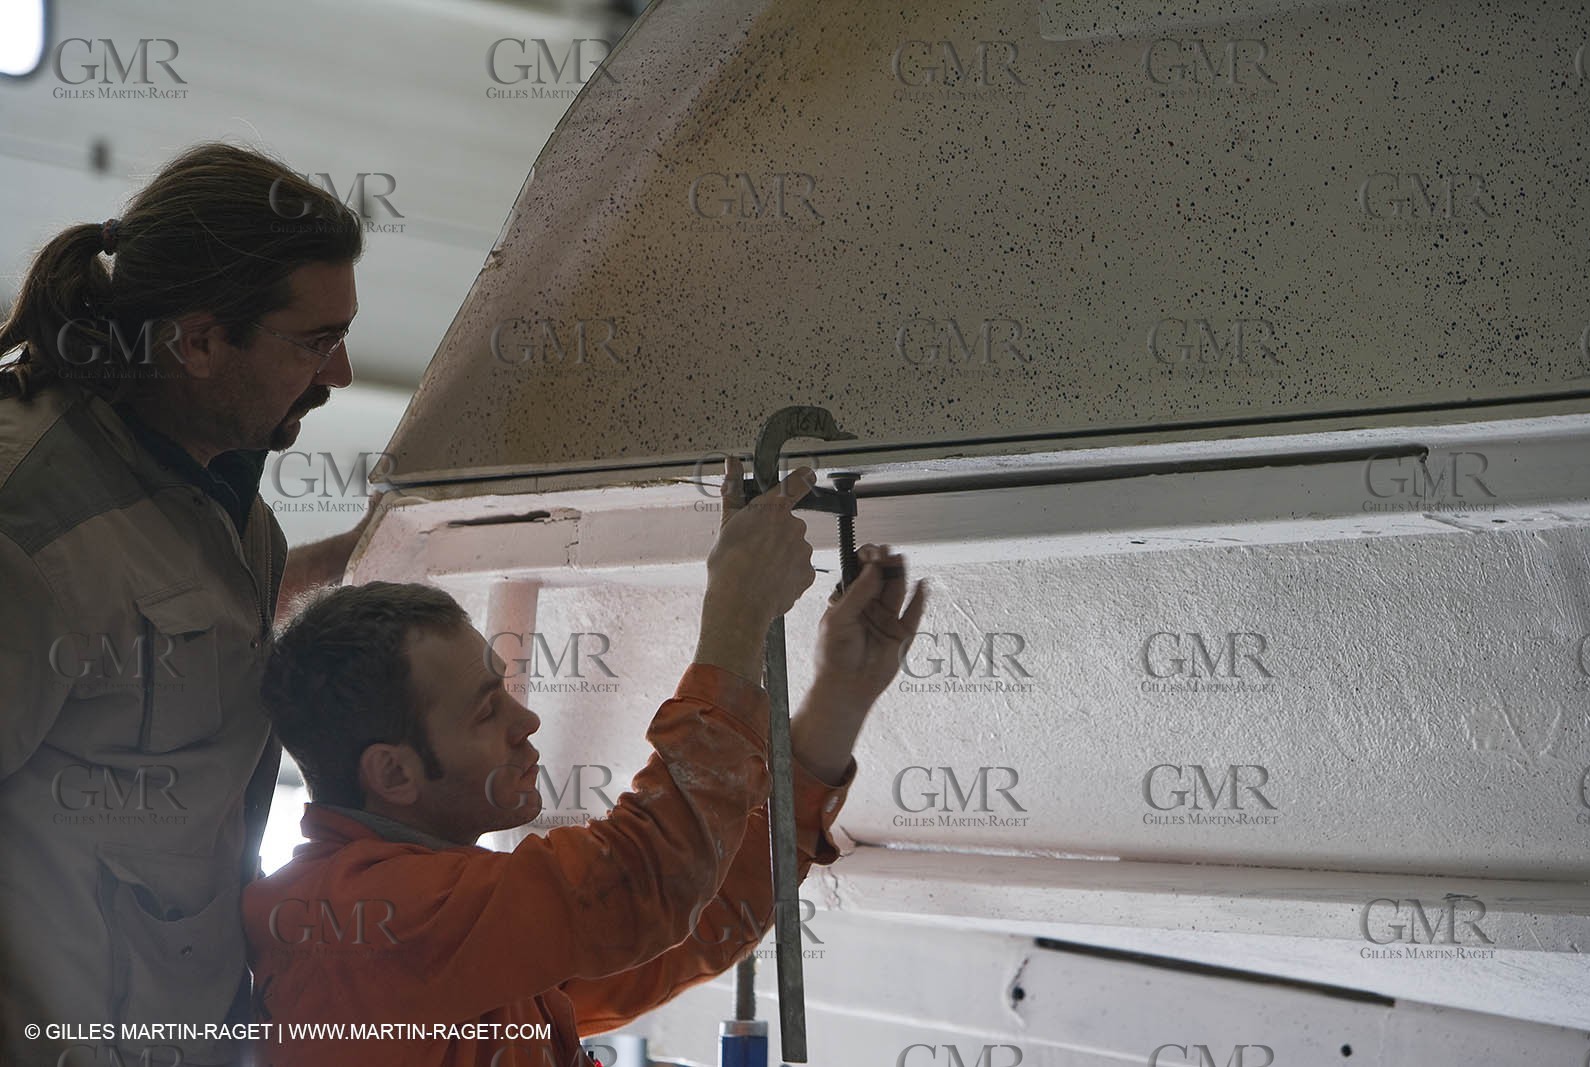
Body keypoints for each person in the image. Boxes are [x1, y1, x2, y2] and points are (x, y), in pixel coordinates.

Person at [243, 460, 927, 1067]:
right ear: (393, 774)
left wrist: (841, 695)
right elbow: (640, 885)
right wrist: (736, 614)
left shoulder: (445, 931)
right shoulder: (362, 924)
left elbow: (690, 921)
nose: (526, 722)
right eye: (486, 711)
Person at [0, 142, 378, 1067]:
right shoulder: (26, 516)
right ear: (201, 341)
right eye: (315, 340)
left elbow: (163, 626)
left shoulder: (219, 487)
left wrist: (357, 559)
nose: (339, 373)